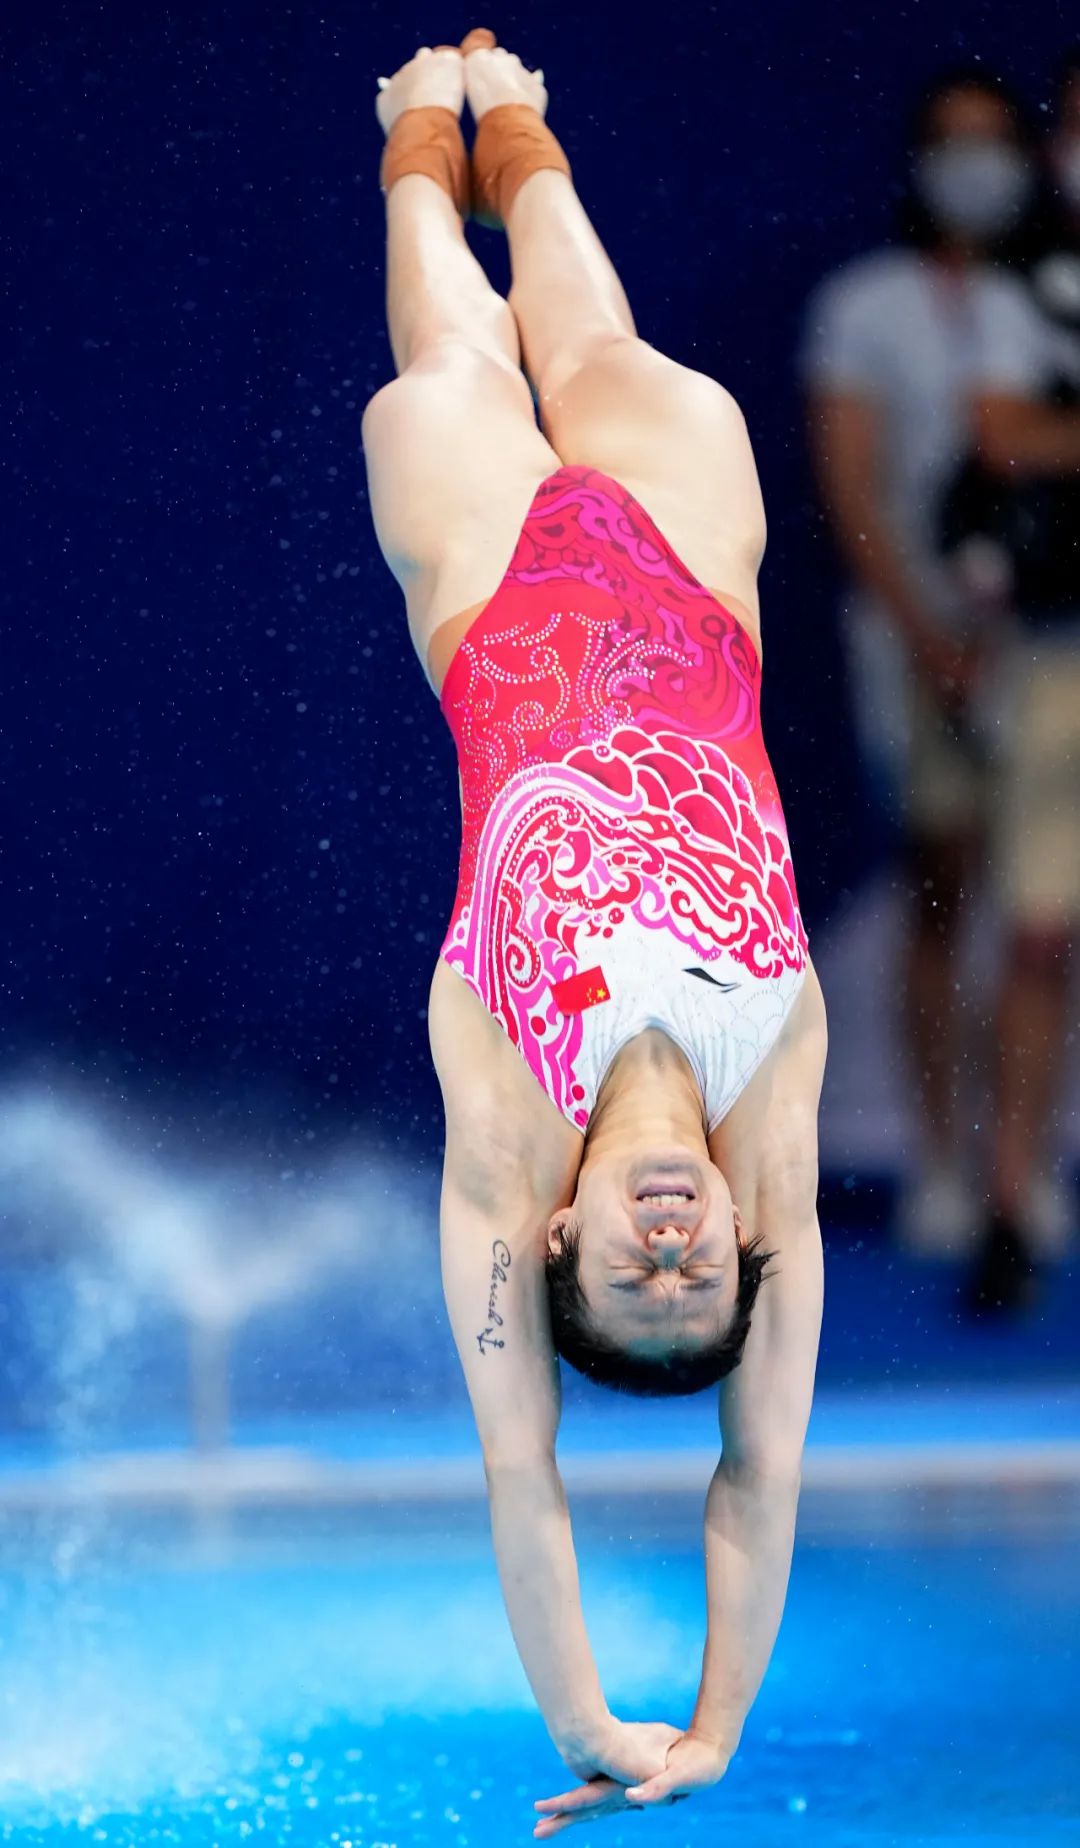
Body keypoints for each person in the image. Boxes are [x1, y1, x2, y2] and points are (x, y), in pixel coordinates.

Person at [362, 28, 827, 1833]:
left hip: (493, 600)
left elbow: (519, 1470)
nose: (673, 1252)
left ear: (556, 1241)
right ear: (740, 1240)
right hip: (698, 585)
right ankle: (524, 128)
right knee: (609, 354)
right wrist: (718, 1726)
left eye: (634, 1282)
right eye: (702, 1279)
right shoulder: (768, 1114)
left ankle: (418, 131)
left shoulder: (507, 1131)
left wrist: (590, 1720)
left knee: (454, 369)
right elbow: (759, 1473)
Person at [800, 68, 1043, 1259]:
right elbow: (852, 489)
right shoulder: (867, 306)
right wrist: (930, 635)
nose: (975, 167)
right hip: (917, 643)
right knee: (942, 892)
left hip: (1042, 642)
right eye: (953, 143)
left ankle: (1019, 1170)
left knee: (1042, 913)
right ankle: (939, 1162)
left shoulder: (1047, 299)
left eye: (995, 142)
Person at [946, 46, 1080, 1308]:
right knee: (1036, 935)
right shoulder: (1014, 291)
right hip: (1055, 653)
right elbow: (1003, 436)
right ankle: (1009, 1202)